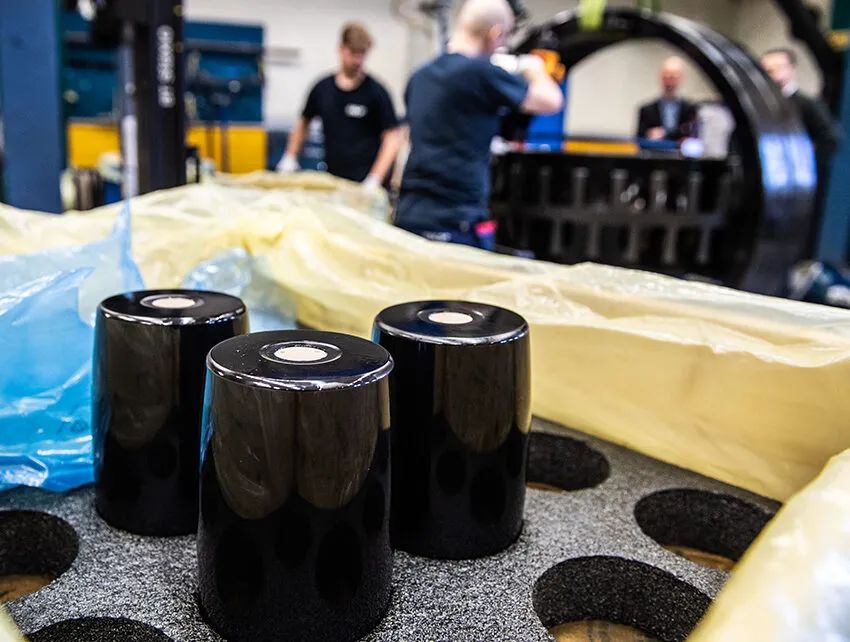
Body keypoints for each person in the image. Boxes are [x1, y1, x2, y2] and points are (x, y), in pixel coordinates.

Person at [396, 0, 563, 249]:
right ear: (495, 34)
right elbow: (551, 100)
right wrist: (533, 67)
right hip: (456, 222)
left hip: (410, 216)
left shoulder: (420, 76)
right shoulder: (481, 74)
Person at [278, 22, 401, 189]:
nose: (358, 60)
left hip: (366, 184)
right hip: (334, 181)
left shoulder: (376, 92)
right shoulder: (322, 89)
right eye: (353, 53)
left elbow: (392, 138)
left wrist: (375, 178)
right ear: (341, 49)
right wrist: (290, 157)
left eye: (362, 54)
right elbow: (303, 122)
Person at [761, 47, 841, 254]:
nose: (772, 75)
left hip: (796, 192)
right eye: (767, 70)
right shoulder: (761, 107)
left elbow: (831, 140)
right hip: (768, 187)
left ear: (791, 69)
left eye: (777, 68)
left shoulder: (807, 105)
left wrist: (802, 165)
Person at [636, 56, 697, 141]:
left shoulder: (690, 109)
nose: (669, 82)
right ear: (660, 78)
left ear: (681, 79)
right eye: (666, 77)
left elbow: (691, 134)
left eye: (672, 77)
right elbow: (639, 139)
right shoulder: (646, 110)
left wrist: (665, 133)